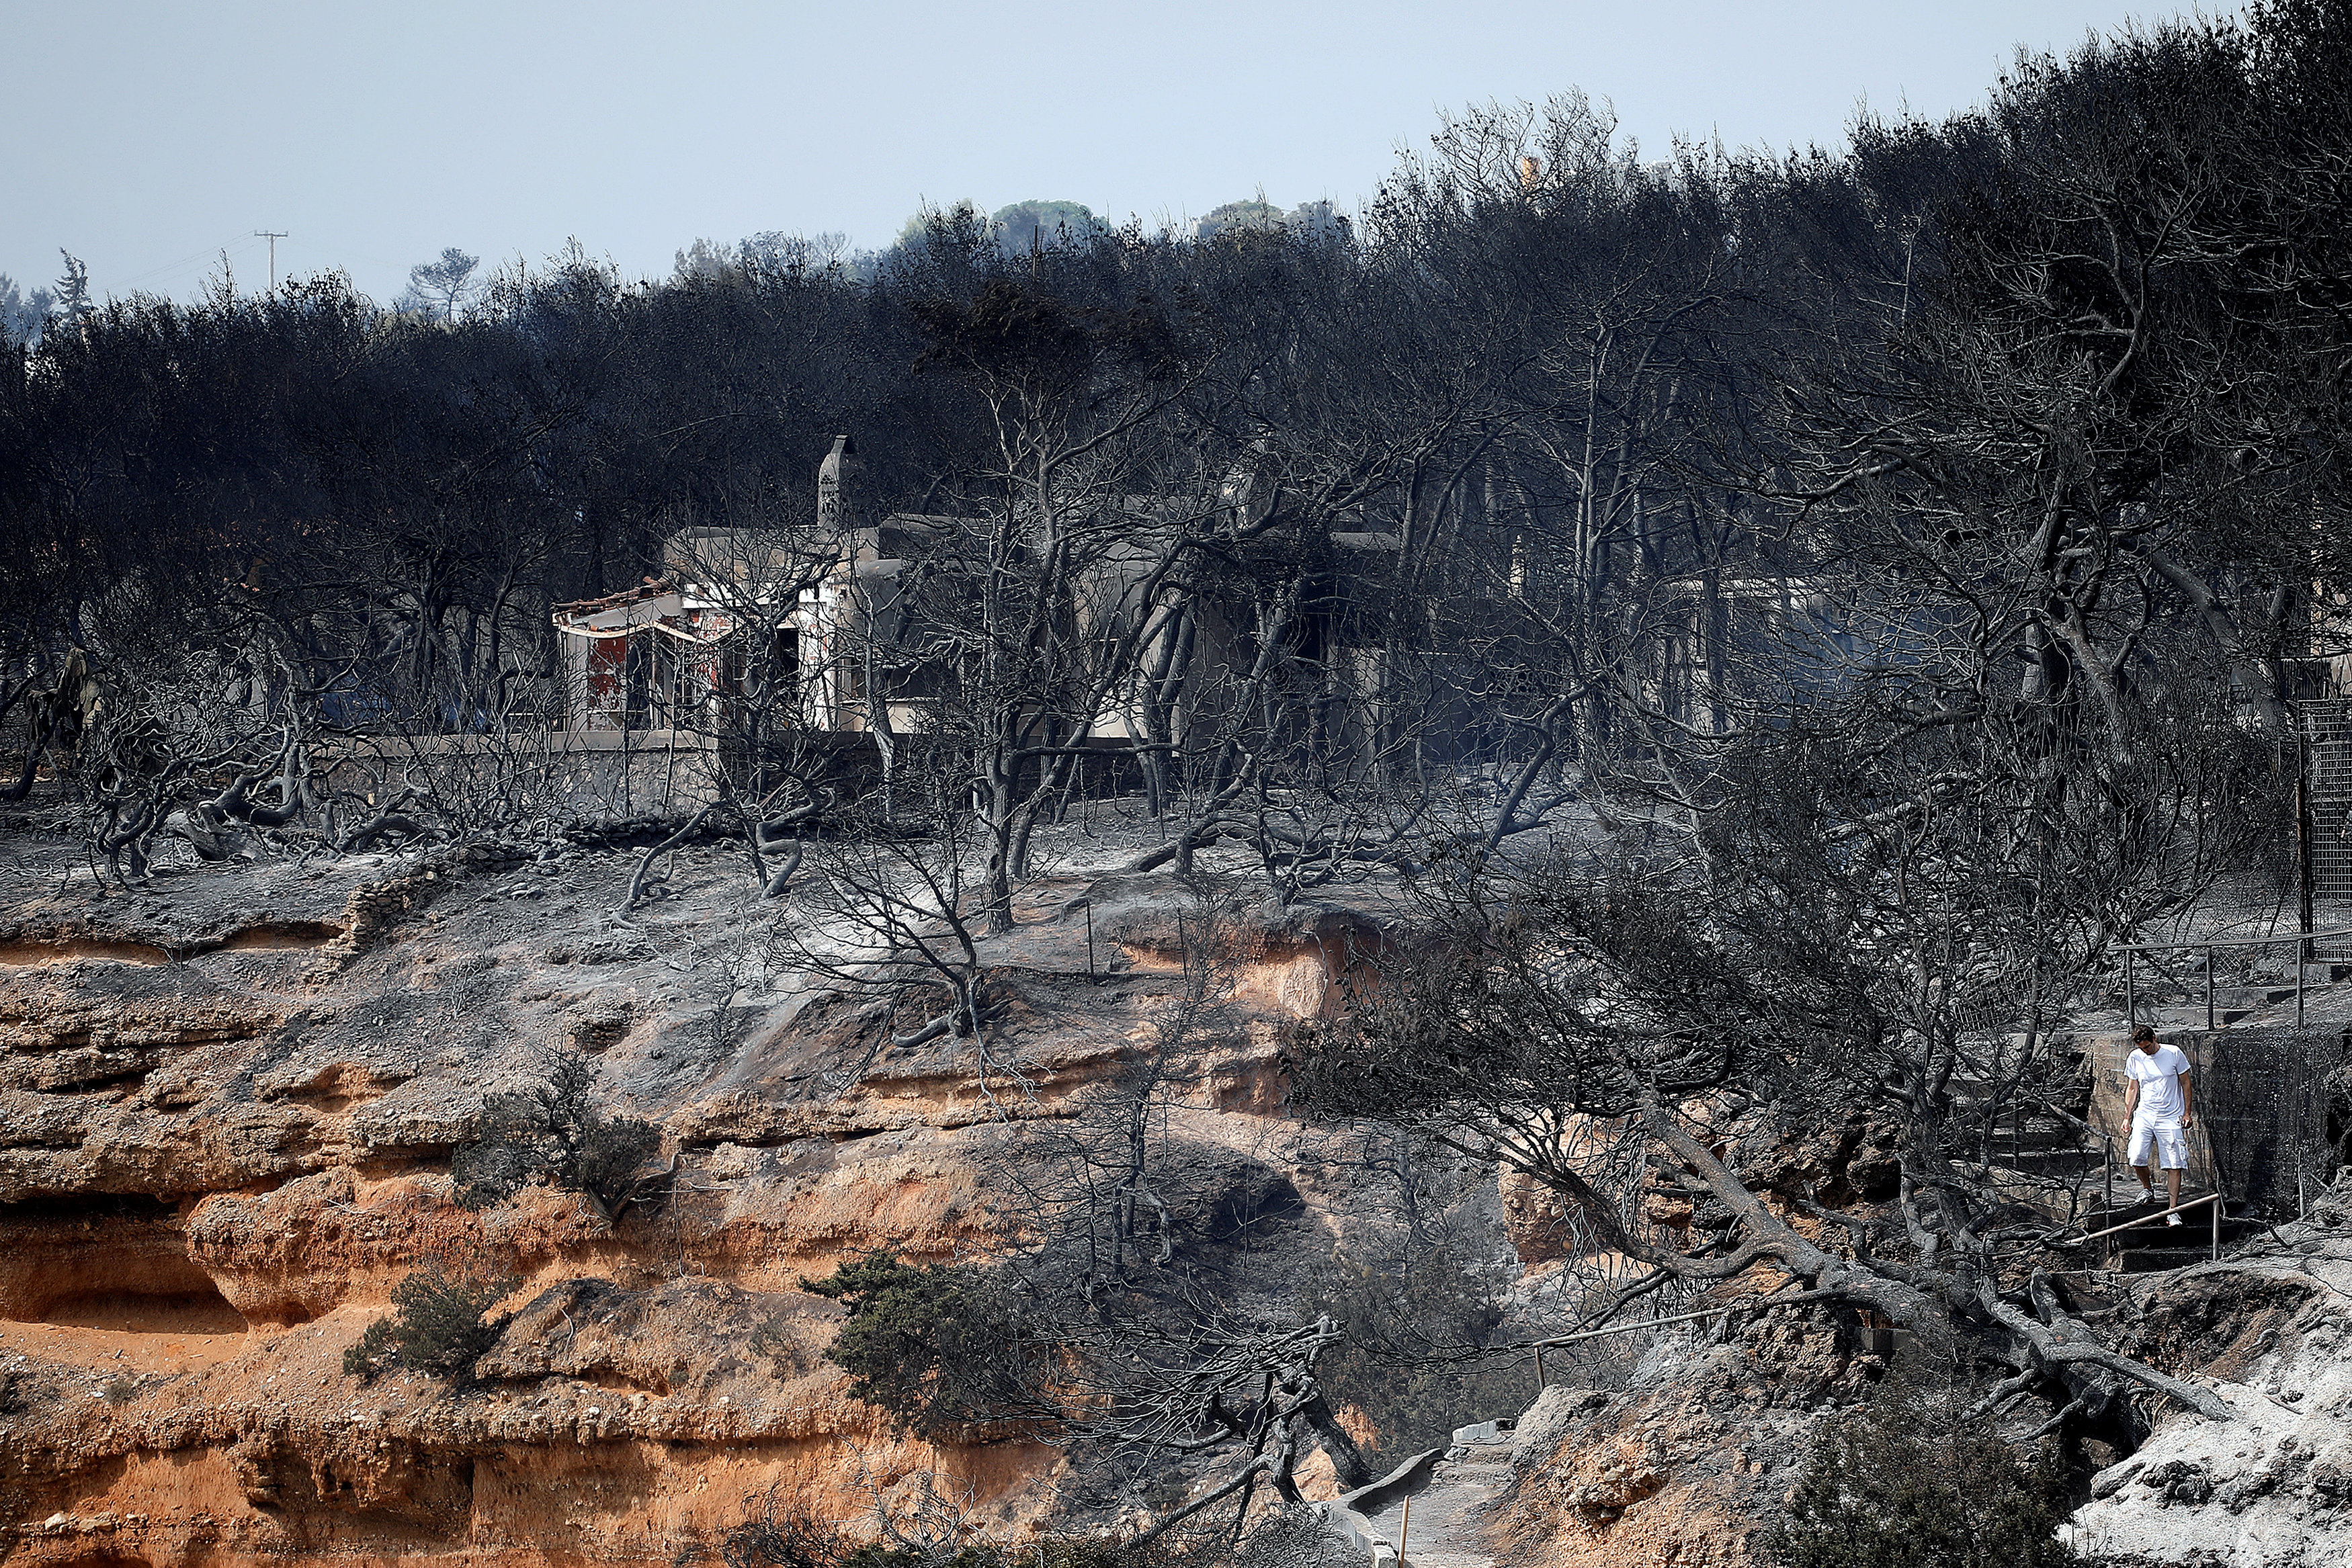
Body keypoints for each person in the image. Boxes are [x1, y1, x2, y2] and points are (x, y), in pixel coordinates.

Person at [2122, 1024, 2196, 1225]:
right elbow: (2132, 1087)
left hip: (2170, 1116)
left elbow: (2186, 1083)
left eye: (2147, 1046)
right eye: (2141, 1048)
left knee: (2174, 1163)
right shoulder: (2135, 1057)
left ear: (2154, 1038)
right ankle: (2148, 1189)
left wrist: (2187, 1113)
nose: (2145, 1051)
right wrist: (2127, 1116)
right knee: (2136, 1156)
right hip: (2145, 1115)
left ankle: (2173, 1210)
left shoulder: (2173, 1053)